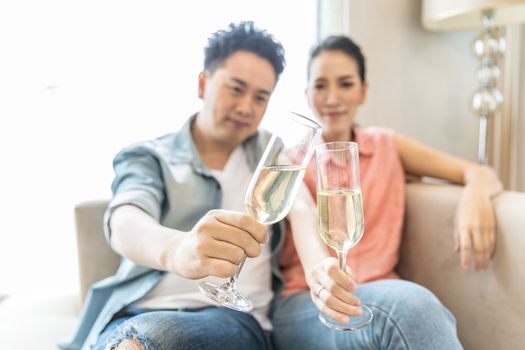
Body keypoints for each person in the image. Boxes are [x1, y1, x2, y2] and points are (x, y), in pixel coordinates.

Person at [58, 21, 298, 350]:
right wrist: (177, 251)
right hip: (135, 313)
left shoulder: (271, 154)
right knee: (136, 337)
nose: (246, 107)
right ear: (203, 83)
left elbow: (304, 211)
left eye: (261, 97)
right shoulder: (148, 156)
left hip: (231, 319)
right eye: (236, 89)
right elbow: (125, 220)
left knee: (153, 338)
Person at [270, 35, 502, 349]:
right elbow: (305, 218)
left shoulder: (387, 146)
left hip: (380, 294)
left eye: (346, 84)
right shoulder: (290, 159)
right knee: (411, 305)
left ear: (363, 91)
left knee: (408, 306)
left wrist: (475, 196)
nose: (332, 97)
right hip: (308, 302)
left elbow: (478, 171)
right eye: (321, 85)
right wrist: (323, 279)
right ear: (307, 93)